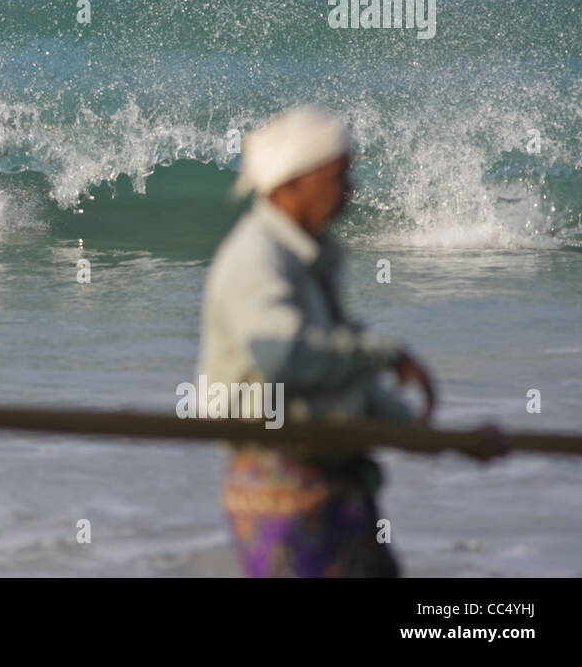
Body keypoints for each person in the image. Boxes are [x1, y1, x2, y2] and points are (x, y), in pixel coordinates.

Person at [198, 105, 505, 577]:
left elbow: (339, 380)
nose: (350, 189)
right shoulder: (257, 255)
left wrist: (442, 439)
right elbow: (286, 357)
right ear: (292, 184)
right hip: (283, 493)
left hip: (338, 485)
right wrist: (385, 355)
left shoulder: (315, 255)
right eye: (338, 176)